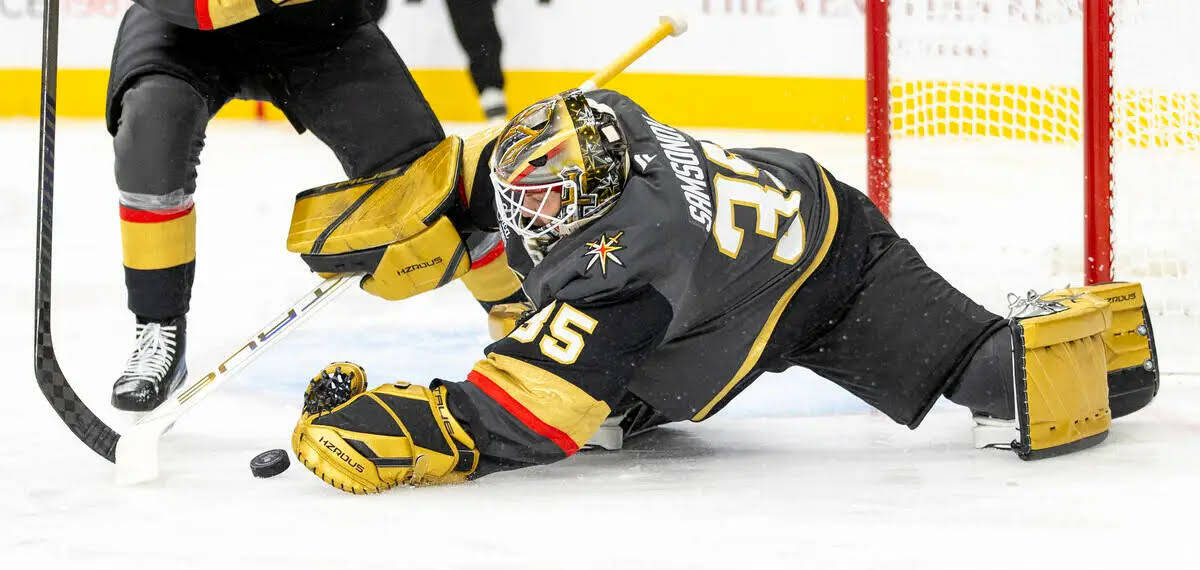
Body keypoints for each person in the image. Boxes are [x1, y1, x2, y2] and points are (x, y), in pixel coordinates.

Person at [283, 89, 1161, 494]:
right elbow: (501, 166)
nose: (524, 215)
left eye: (541, 205)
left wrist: (397, 425)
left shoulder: (628, 272)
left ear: (595, 212)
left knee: (1009, 385)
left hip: (837, 270)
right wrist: (453, 202)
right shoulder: (601, 118)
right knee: (608, 401)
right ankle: (625, 392)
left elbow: (521, 417)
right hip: (733, 269)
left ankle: (1080, 340)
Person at [107, 0, 524, 411]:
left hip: (315, 26)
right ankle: (158, 327)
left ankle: (526, 324)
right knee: (152, 133)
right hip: (181, 32)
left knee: (433, 187)